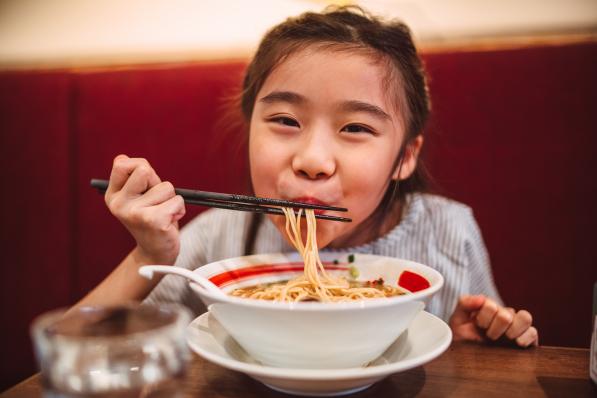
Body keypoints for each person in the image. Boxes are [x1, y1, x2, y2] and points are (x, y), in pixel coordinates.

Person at [77, 6, 538, 347]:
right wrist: (148, 255)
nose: (313, 159)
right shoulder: (218, 237)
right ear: (249, 125)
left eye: (356, 128)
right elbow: (78, 347)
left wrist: (474, 342)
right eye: (285, 120)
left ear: (404, 157)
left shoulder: (448, 233)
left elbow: (485, 347)